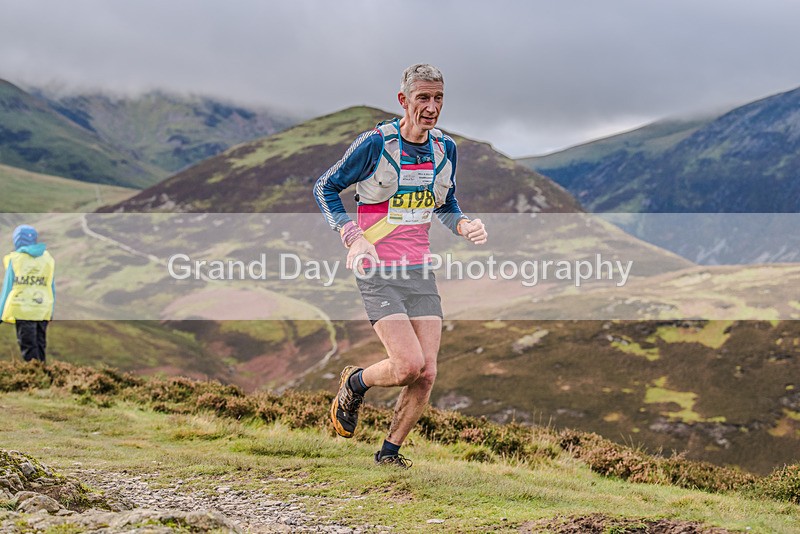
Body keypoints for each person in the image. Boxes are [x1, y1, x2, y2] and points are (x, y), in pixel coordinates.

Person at [313, 64, 488, 467]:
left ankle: (388, 454)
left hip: (419, 271)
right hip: (377, 269)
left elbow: (445, 202)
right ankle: (354, 383)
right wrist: (351, 236)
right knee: (408, 365)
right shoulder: (376, 144)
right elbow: (326, 187)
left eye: (438, 98)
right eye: (423, 98)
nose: (431, 107)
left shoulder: (446, 149)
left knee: (426, 373)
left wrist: (463, 223)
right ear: (403, 100)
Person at [0, 225, 56, 363]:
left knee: (29, 347)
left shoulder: (15, 260)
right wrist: (51, 311)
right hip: (43, 310)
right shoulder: (47, 259)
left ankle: (36, 378)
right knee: (40, 345)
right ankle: (43, 376)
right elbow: (51, 287)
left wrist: (0, 313)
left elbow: (7, 288)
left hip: (23, 310)